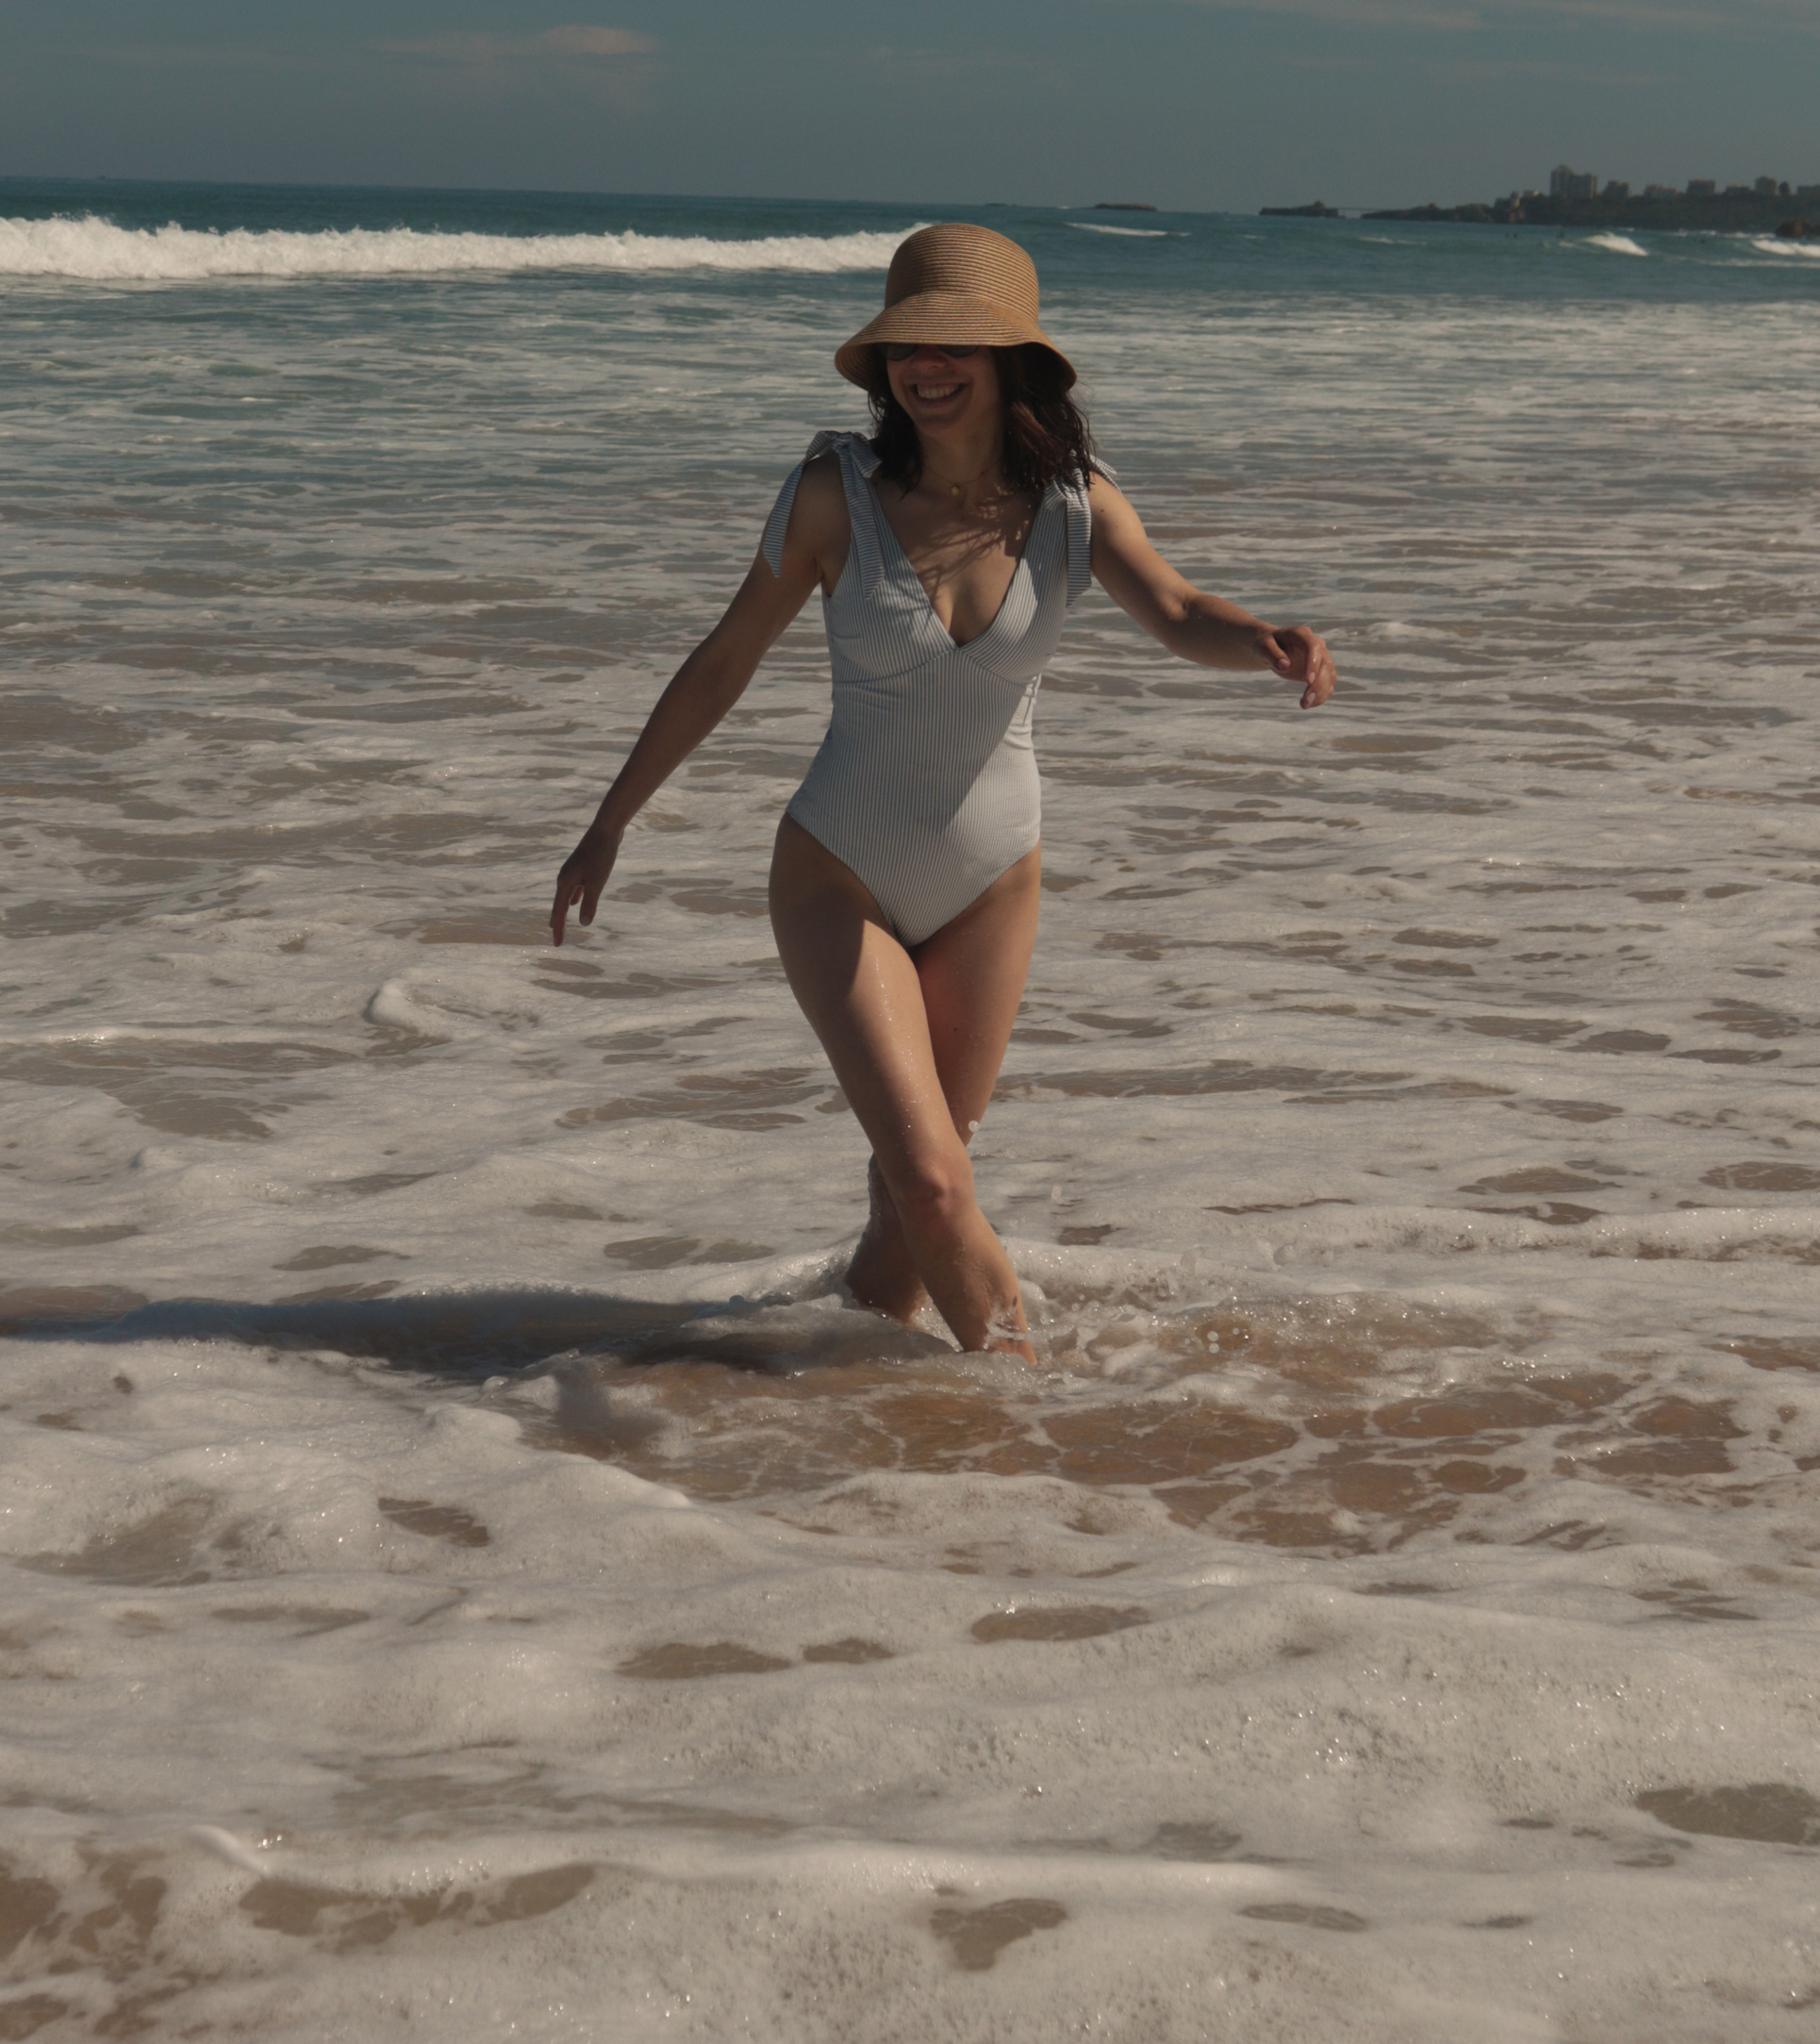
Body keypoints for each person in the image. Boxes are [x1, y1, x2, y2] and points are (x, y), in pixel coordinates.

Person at [550, 224, 1335, 1361]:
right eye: (908, 341)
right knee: (928, 1180)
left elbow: (1173, 609)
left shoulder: (1070, 501)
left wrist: (1262, 638)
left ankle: (835, 1385)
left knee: (908, 1205)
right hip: (840, 875)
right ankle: (1035, 1405)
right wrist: (610, 820)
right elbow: (725, 658)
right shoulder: (836, 495)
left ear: (1010, 358)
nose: (927, 362)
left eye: (957, 342)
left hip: (990, 885)